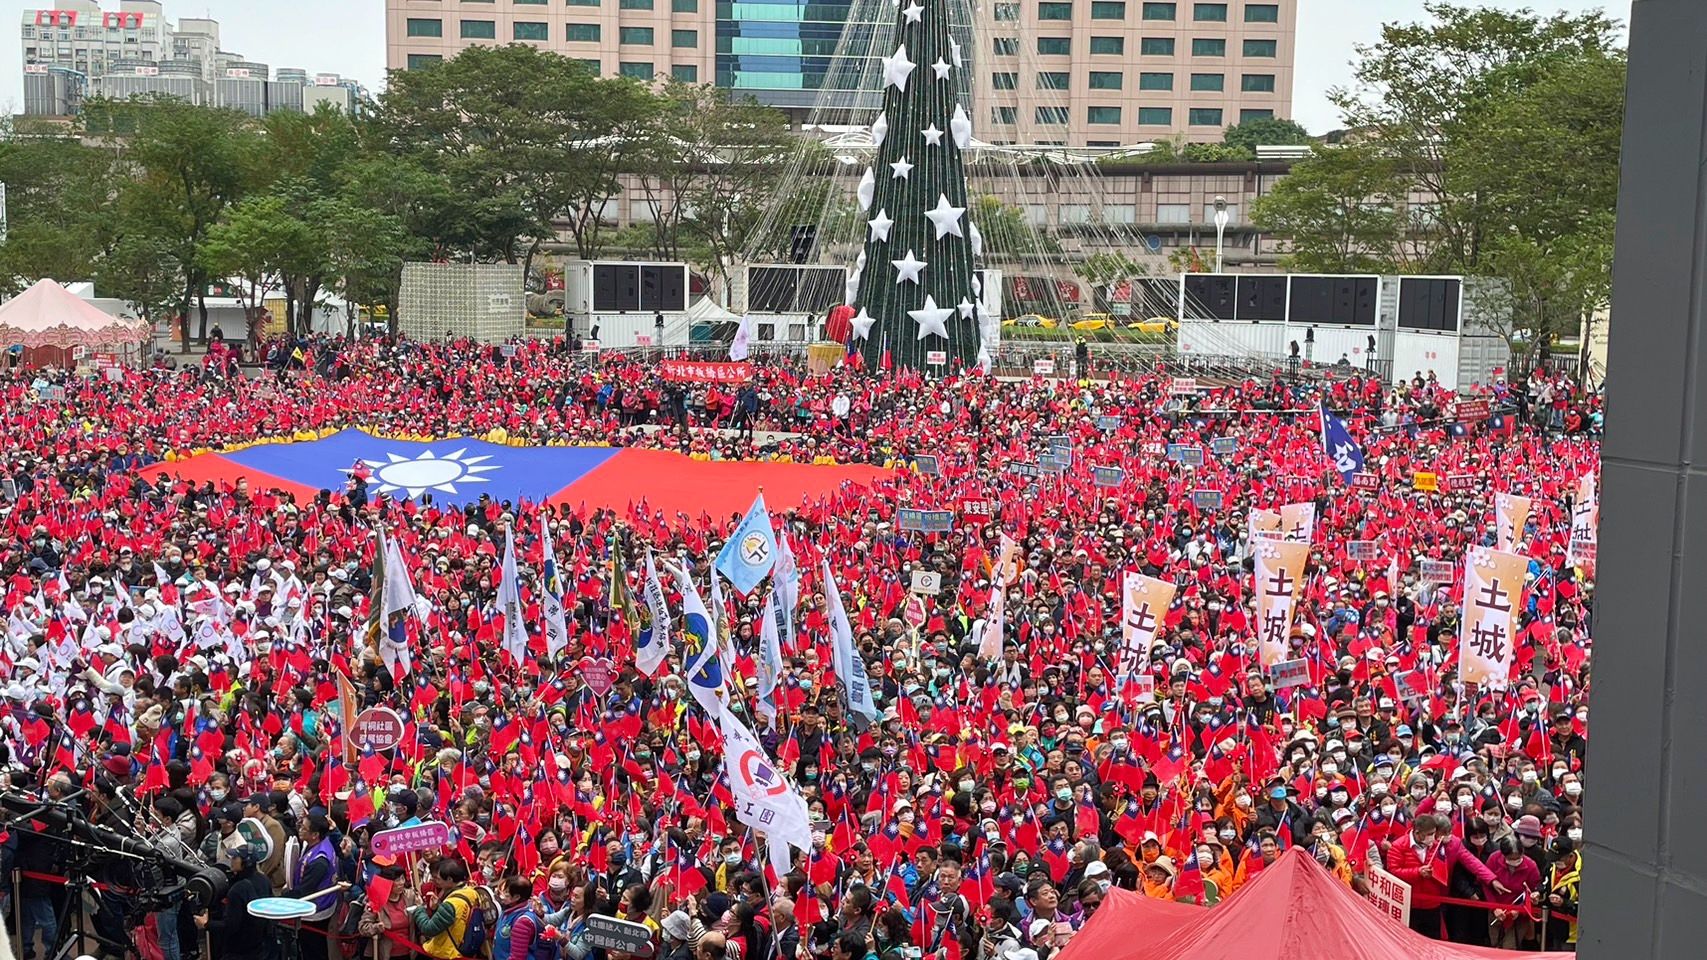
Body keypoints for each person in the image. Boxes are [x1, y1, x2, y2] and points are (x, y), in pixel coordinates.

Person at [196, 841, 273, 960]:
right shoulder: (264, 880)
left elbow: (231, 926)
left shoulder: (238, 890)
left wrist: (206, 924)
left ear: (245, 863)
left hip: (239, 950)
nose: (231, 859)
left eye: (235, 857)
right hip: (261, 948)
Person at [409, 858, 485, 959]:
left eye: (438, 878)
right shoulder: (472, 892)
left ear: (449, 879)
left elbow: (428, 929)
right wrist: (437, 908)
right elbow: (454, 920)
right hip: (464, 948)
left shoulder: (451, 904)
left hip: (449, 953)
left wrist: (419, 909)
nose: (435, 881)